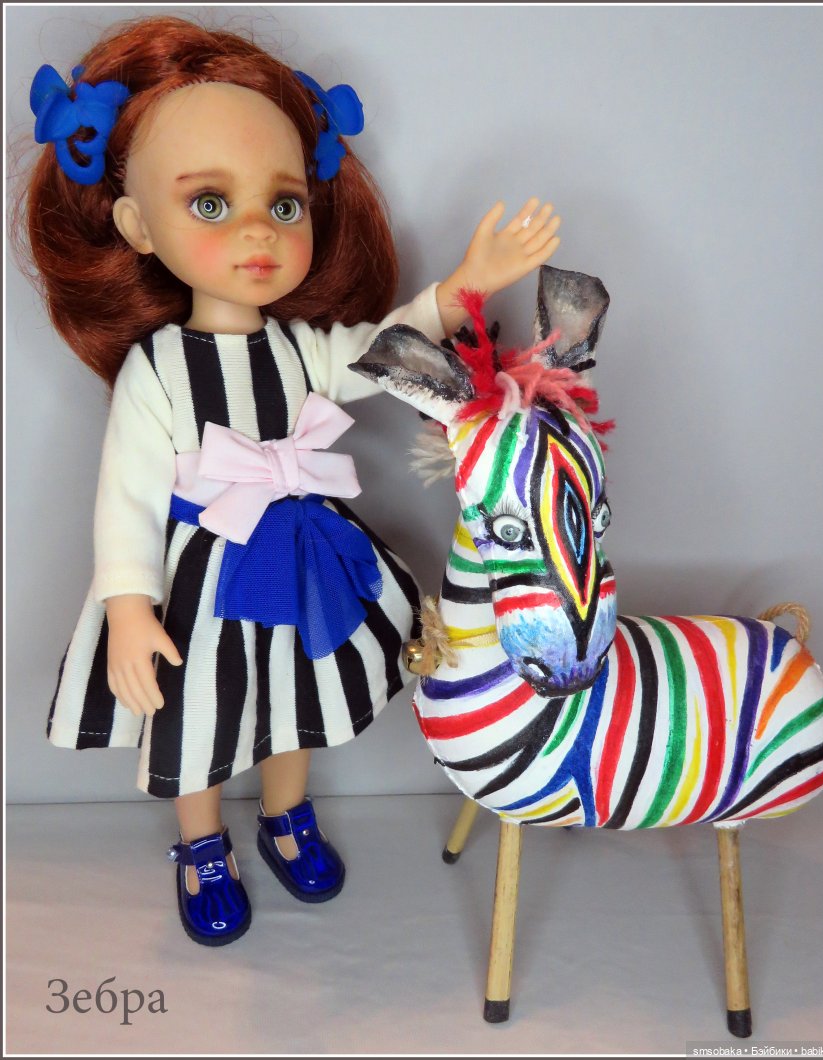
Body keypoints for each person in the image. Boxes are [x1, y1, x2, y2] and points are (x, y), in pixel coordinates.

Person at [19, 15, 561, 946]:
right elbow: (127, 496)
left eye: (283, 205)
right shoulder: (159, 369)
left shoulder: (300, 348)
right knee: (199, 710)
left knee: (295, 697)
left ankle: (285, 816)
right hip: (205, 575)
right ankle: (200, 844)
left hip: (304, 555)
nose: (255, 232)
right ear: (136, 223)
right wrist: (129, 604)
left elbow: (386, 349)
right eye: (208, 203)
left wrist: (464, 286)